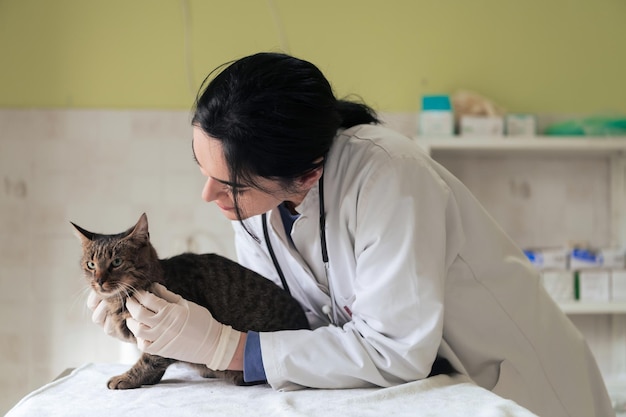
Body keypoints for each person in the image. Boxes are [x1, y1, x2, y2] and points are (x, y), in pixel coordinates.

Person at [88, 52, 614, 417]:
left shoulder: (388, 175)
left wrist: (231, 348)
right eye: (202, 170)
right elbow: (303, 328)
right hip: (430, 389)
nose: (210, 196)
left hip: (517, 388)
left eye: (229, 184)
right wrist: (155, 333)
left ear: (308, 174)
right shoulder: (259, 207)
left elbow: (394, 350)